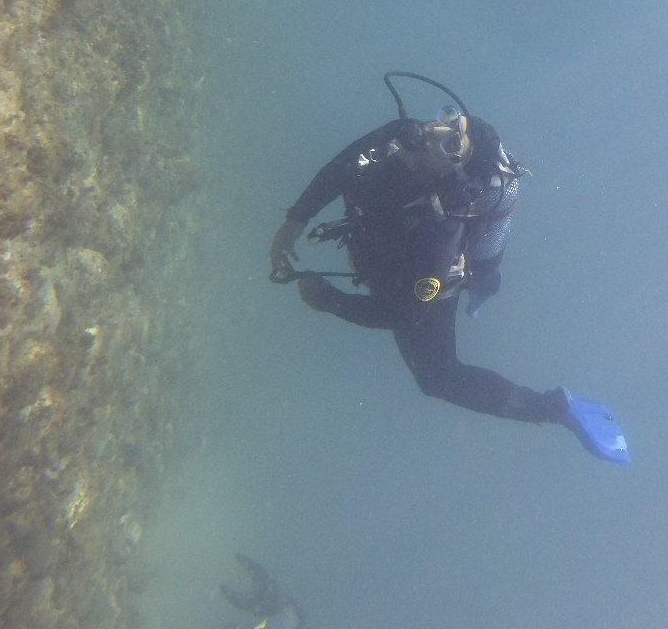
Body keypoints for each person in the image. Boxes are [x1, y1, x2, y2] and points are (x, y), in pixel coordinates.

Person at [268, 73, 630, 462]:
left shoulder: (440, 233)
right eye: (449, 120)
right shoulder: (399, 138)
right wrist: (295, 221)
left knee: (437, 378)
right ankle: (487, 286)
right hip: (386, 256)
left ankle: (557, 409)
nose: (433, 130)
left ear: (452, 170)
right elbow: (340, 169)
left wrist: (327, 300)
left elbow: (403, 313)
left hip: (424, 284)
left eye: (451, 141)